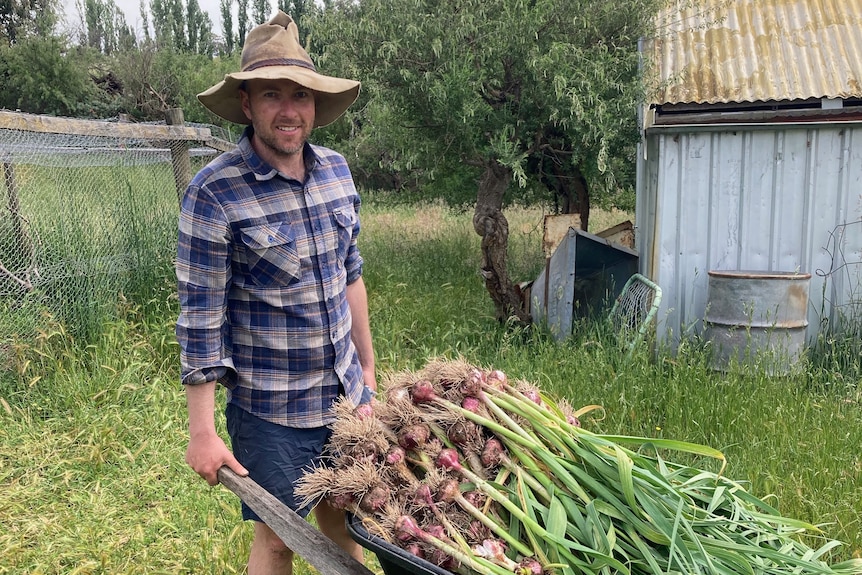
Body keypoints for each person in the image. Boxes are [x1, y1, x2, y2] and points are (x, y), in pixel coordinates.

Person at [175, 11, 376, 574]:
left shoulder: (337, 172)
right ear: (247, 105)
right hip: (272, 409)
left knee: (347, 520)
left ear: (315, 104)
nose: (289, 110)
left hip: (344, 395)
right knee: (280, 538)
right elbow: (200, 317)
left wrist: (367, 366)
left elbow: (350, 273)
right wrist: (203, 432)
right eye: (271, 95)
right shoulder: (215, 192)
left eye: (300, 96)